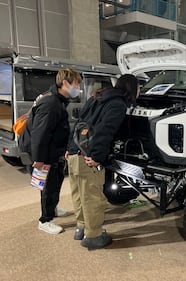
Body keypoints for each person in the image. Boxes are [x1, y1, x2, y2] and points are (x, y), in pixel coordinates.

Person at [66, 74, 139, 249]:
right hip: (88, 157)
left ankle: (81, 228)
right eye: (138, 88)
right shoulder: (118, 105)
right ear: (132, 88)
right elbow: (104, 132)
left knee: (79, 194)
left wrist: (70, 148)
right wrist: (98, 157)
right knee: (92, 197)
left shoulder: (97, 97)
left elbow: (79, 123)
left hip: (75, 153)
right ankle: (93, 236)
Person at [20, 68, 82, 234]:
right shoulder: (51, 103)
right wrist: (39, 159)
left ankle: (52, 209)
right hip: (45, 153)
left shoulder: (56, 99)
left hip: (53, 151)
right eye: (76, 83)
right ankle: (45, 220)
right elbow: (40, 133)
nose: (79, 87)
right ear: (65, 83)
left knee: (54, 183)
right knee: (48, 185)